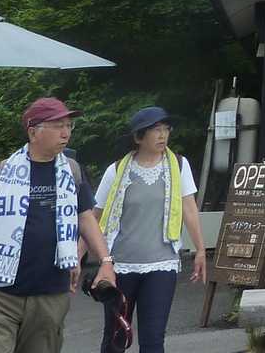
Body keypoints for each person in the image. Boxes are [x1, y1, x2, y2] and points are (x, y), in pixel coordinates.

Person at [0, 97, 117, 353]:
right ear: (33, 131)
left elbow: (86, 218)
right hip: (0, 294)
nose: (66, 133)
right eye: (58, 126)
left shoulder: (71, 172)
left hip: (50, 294)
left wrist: (106, 261)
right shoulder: (2, 174)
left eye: (68, 126)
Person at [93, 107, 207, 353]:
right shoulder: (117, 170)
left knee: (153, 339)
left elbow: (189, 208)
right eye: (156, 130)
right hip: (120, 265)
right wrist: (77, 258)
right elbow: (94, 217)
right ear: (138, 137)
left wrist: (200, 250)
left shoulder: (179, 165)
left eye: (166, 129)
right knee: (115, 337)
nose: (163, 135)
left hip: (162, 265)